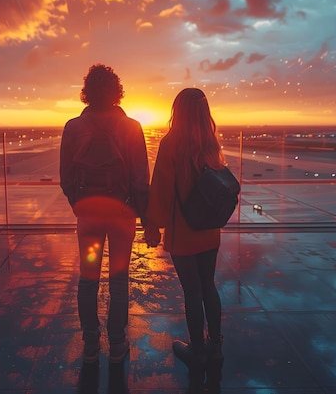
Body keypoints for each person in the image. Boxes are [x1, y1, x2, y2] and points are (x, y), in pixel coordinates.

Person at [60, 64, 150, 364]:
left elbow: (66, 177)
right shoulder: (132, 127)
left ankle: (89, 342)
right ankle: (117, 342)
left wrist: (80, 204)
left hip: (88, 215)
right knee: (119, 279)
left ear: (87, 91)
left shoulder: (73, 127)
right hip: (121, 213)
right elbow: (140, 179)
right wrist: (143, 217)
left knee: (88, 279)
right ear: (116, 91)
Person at [144, 87, 225, 367]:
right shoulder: (211, 142)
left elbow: (162, 189)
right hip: (210, 230)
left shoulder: (171, 143)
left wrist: (153, 224)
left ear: (177, 112)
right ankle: (216, 345)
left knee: (192, 291)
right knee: (208, 287)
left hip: (184, 232)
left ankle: (197, 350)